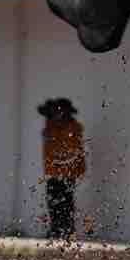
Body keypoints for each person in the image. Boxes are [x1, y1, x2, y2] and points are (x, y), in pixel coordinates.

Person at [39, 93, 89, 240]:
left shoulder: (72, 128)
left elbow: (73, 152)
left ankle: (66, 231)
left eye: (59, 111)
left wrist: (73, 168)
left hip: (66, 173)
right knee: (53, 202)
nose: (57, 115)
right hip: (54, 172)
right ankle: (57, 230)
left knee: (65, 203)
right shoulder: (52, 125)